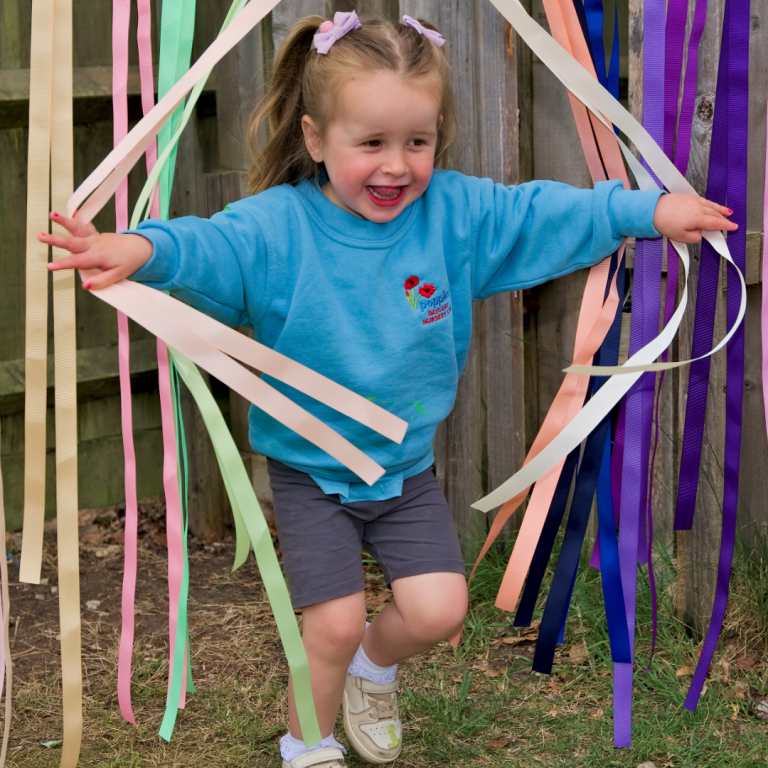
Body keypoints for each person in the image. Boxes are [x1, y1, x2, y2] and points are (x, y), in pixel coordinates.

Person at [43, 12, 735, 768]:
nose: (396, 166)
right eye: (370, 143)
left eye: (418, 141)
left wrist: (648, 211)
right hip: (311, 472)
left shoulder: (456, 216)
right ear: (315, 138)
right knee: (332, 623)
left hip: (403, 470)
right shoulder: (279, 227)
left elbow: (548, 211)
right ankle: (306, 741)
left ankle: (374, 671)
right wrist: (137, 249)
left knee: (438, 611)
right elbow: (208, 246)